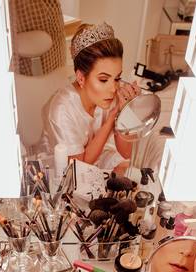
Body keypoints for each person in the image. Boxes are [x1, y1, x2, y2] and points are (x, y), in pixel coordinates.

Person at [41, 22, 140, 170]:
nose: (113, 88)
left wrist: (126, 110)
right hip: (65, 169)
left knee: (126, 168)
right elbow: (78, 167)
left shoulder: (111, 93)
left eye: (117, 78)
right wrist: (112, 117)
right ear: (81, 78)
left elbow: (126, 153)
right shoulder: (61, 109)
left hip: (97, 155)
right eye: (103, 80)